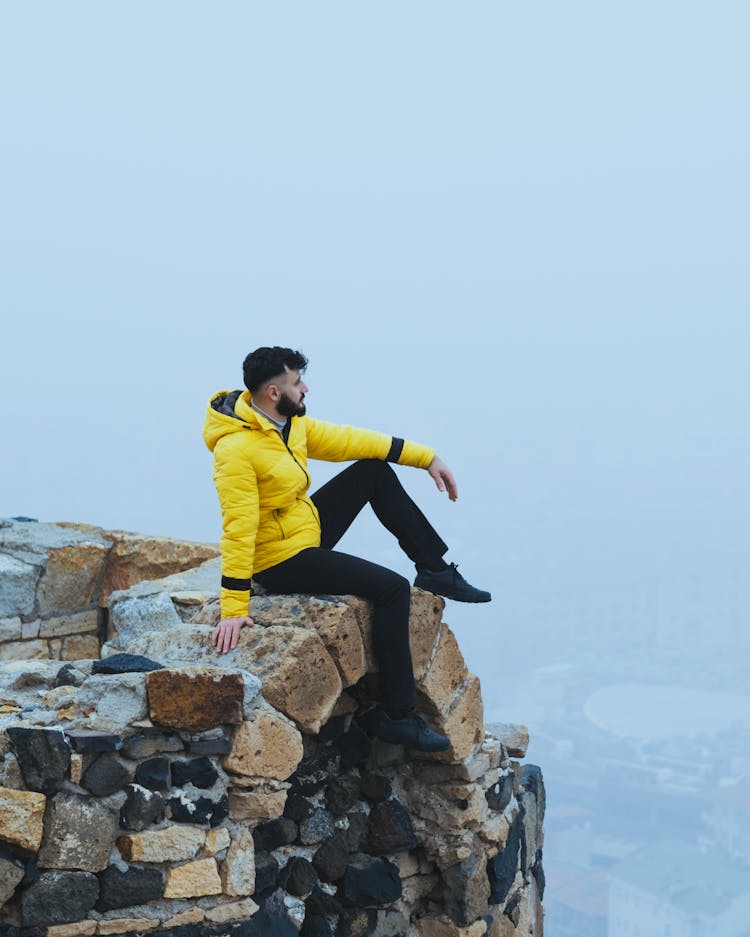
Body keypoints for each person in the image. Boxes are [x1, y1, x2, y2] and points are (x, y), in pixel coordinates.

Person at [203, 346, 491, 752]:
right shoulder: (236, 450)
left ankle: (434, 568)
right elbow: (238, 526)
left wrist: (426, 458)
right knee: (392, 589)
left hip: (305, 530)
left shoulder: (289, 424)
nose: (305, 388)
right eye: (296, 382)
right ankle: (398, 716)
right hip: (279, 560)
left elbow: (351, 440)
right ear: (272, 392)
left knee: (372, 471)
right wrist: (234, 607)